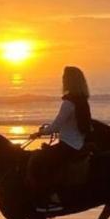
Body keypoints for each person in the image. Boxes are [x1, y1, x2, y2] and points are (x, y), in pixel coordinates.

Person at [27, 66, 92, 209]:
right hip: (78, 143)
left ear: (69, 81)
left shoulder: (68, 103)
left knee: (38, 161)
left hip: (69, 144)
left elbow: (56, 126)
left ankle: (52, 199)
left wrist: (40, 133)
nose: (62, 80)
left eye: (64, 78)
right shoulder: (82, 100)